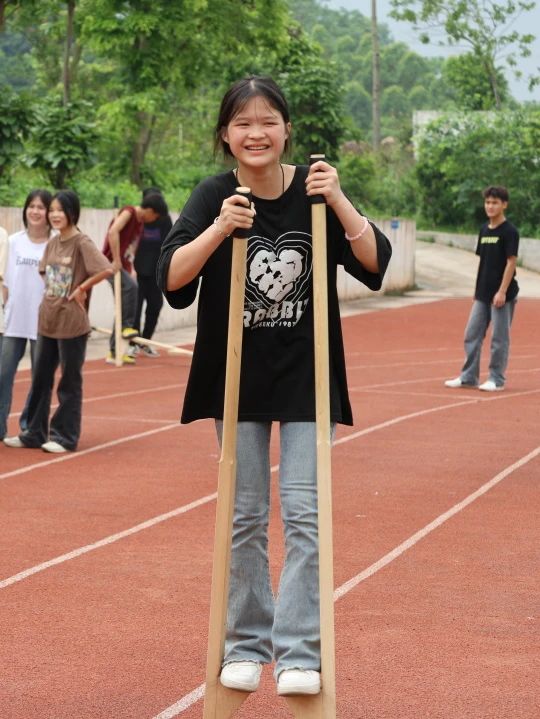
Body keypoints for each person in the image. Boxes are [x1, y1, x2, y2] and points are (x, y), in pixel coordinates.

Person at [157, 76, 392, 696]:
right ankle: (245, 644)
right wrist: (218, 230)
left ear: (287, 130)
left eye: (267, 121)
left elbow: (374, 262)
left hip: (306, 376)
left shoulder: (315, 190)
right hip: (237, 379)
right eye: (242, 123)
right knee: (244, 516)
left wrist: (339, 199)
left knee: (307, 516)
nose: (255, 133)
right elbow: (171, 279)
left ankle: (299, 652)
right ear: (225, 135)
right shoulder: (215, 194)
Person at [3, 190, 113, 453]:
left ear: (72, 213)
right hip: (47, 321)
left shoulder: (81, 242)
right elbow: (44, 272)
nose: (54, 215)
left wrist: (81, 288)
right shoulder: (53, 242)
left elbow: (105, 268)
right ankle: (34, 433)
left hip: (71, 323)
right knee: (40, 379)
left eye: (59, 210)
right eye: (51, 210)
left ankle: (65, 436)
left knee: (69, 382)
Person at [445, 185, 519, 392]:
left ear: (504, 205)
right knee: (472, 334)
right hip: (483, 293)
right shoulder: (484, 230)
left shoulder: (510, 231)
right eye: (487, 202)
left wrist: (502, 291)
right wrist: (478, 290)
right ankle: (469, 377)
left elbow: (511, 262)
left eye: (495, 202)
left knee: (499, 339)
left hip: (503, 294)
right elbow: (484, 262)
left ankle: (496, 379)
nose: (490, 206)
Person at [0, 190, 53, 440]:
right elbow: (4, 279)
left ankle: (29, 428)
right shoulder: (13, 242)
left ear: (49, 212)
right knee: (3, 374)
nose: (35, 211)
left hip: (44, 322)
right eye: (31, 206)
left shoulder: (55, 242)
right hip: (13, 320)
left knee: (39, 378)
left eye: (41, 207)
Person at [102, 194, 163, 364]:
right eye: (155, 216)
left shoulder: (140, 224)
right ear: (150, 210)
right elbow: (113, 231)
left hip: (123, 265)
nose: (154, 220)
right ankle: (127, 327)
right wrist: (116, 260)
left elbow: (132, 247)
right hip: (110, 263)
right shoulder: (129, 212)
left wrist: (131, 267)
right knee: (132, 289)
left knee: (122, 307)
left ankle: (115, 351)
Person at [133, 188, 171, 357]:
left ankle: (145, 341)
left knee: (155, 305)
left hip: (155, 273)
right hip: (137, 271)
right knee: (135, 308)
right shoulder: (137, 219)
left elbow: (169, 245)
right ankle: (133, 342)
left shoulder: (164, 220)